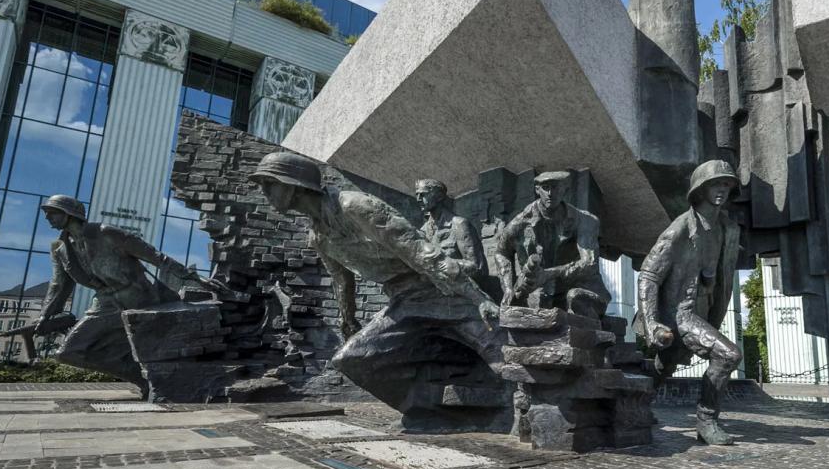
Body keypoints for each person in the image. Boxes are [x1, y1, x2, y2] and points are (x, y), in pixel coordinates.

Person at [250, 152, 502, 410]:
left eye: (269, 184)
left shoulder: (354, 205)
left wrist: (478, 298)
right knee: (350, 359)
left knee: (503, 357)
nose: (264, 192)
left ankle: (506, 402)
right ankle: (431, 410)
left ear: (293, 185)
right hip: (403, 300)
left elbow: (421, 252)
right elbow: (341, 279)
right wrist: (348, 321)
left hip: (442, 290)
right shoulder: (318, 237)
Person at [32, 194, 216, 394]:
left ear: (69, 213)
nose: (47, 218)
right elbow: (58, 286)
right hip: (104, 302)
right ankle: (141, 378)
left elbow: (156, 257)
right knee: (68, 352)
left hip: (138, 297)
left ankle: (156, 381)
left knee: (145, 343)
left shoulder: (106, 233)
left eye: (52, 212)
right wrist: (45, 316)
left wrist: (193, 277)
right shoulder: (60, 250)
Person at [636, 159, 743, 445]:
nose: (721, 189)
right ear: (700, 188)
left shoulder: (728, 229)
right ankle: (706, 421)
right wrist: (651, 322)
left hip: (703, 311)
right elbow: (648, 275)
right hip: (678, 312)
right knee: (729, 355)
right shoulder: (680, 228)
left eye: (726, 184)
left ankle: (634, 404)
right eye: (715, 184)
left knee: (664, 366)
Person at [494, 171, 610, 319]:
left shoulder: (585, 220)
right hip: (543, 291)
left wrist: (548, 274)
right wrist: (508, 288)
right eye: (545, 188)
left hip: (580, 288)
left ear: (564, 190)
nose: (550, 193)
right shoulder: (520, 222)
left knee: (575, 298)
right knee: (532, 306)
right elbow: (501, 252)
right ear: (537, 190)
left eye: (555, 187)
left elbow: (589, 263)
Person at [415, 178, 487, 283]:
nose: (418, 199)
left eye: (423, 194)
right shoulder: (423, 231)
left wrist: (447, 265)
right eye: (417, 195)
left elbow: (478, 267)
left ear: (439, 196)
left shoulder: (459, 225)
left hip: (459, 289)